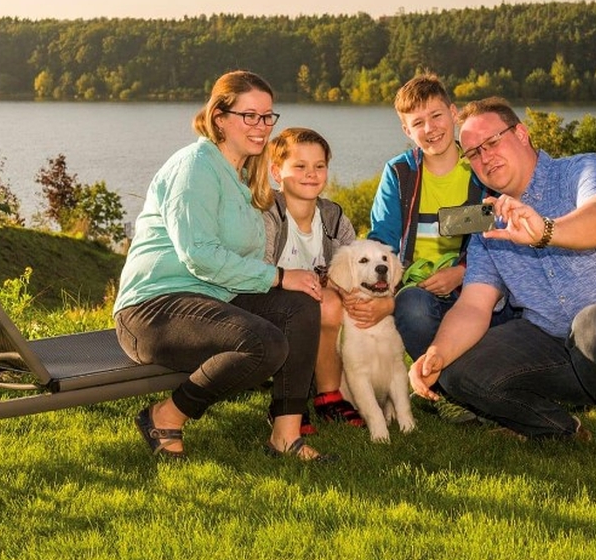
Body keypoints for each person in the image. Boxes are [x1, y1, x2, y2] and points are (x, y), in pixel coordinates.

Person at [408, 97, 596, 492]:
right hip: (564, 349)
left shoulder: (582, 170)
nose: (484, 158)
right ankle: (559, 428)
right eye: (473, 153)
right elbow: (474, 303)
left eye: (491, 143)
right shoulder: (489, 222)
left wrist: (545, 230)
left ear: (521, 134)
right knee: (458, 371)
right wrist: (438, 353)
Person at [114, 70, 334, 462]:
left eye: (267, 117)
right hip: (154, 310)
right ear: (219, 117)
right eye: (249, 115)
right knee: (264, 344)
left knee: (300, 307)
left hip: (215, 301)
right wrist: (280, 276)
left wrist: (288, 283)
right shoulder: (195, 165)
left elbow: (240, 261)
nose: (261, 126)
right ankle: (165, 415)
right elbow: (198, 255)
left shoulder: (243, 175)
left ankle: (285, 435)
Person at [366, 74, 488, 359]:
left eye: (436, 116)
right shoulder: (400, 173)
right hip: (418, 291)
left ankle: (455, 375)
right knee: (413, 307)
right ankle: (440, 380)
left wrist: (463, 273)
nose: (430, 128)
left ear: (454, 114)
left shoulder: (481, 169)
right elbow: (383, 241)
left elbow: (498, 238)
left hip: (475, 286)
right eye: (418, 123)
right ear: (407, 130)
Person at [262, 127, 363, 433]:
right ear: (277, 172)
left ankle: (328, 395)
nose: (311, 174)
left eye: (319, 166)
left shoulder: (332, 217)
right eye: (300, 166)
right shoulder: (268, 215)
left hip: (317, 304)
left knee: (330, 302)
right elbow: (255, 270)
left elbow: (350, 265)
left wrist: (348, 290)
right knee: (307, 306)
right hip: (266, 301)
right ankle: (288, 402)